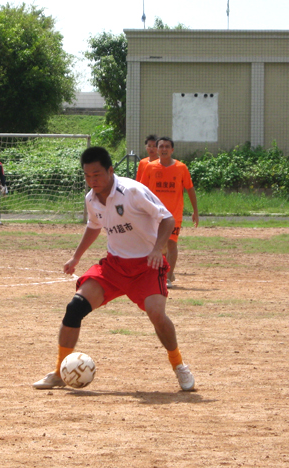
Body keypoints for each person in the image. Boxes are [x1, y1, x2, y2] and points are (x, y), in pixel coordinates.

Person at [32, 146, 195, 392]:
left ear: (110, 170)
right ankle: (58, 373)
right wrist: (76, 257)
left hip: (147, 266)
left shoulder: (132, 191)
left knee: (157, 315)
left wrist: (156, 249)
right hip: (114, 267)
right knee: (75, 308)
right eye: (87, 176)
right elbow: (93, 226)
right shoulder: (91, 199)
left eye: (97, 174)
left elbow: (168, 219)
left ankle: (179, 365)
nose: (92, 180)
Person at [139, 136, 199, 288]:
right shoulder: (150, 167)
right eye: (161, 146)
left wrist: (195, 211)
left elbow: (190, 188)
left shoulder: (181, 168)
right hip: (154, 214)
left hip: (173, 215)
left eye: (167, 146)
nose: (164, 149)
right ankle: (162, 273)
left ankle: (167, 278)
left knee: (171, 244)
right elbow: (142, 190)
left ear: (172, 150)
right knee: (156, 245)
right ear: (157, 149)